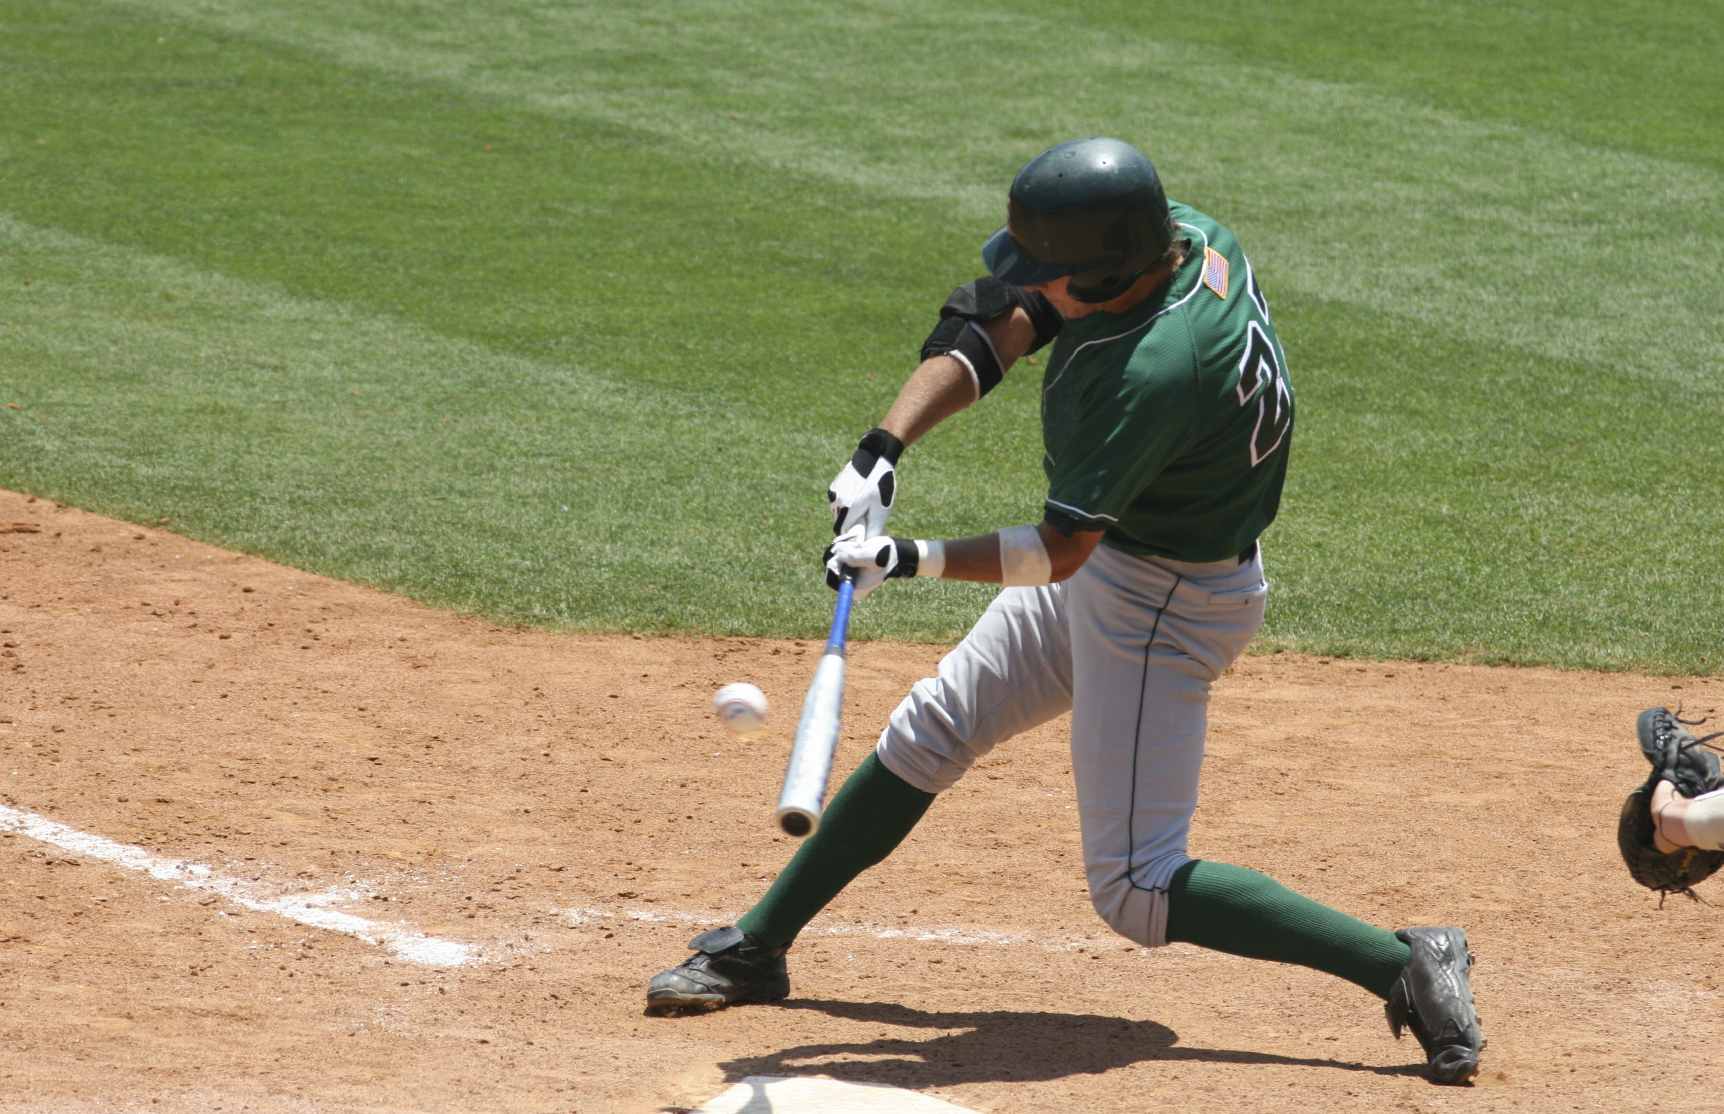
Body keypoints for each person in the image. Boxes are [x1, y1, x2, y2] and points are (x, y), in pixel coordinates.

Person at [645, 137, 1483, 1085]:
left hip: (1165, 597)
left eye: (1058, 274)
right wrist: (885, 445)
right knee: (935, 728)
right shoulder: (1186, 237)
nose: (1040, 290)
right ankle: (757, 947)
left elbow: (1060, 552)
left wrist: (905, 559)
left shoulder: (1153, 373)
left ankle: (1404, 960)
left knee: (1135, 887)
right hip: (1132, 561)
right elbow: (1003, 317)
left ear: (1113, 271)